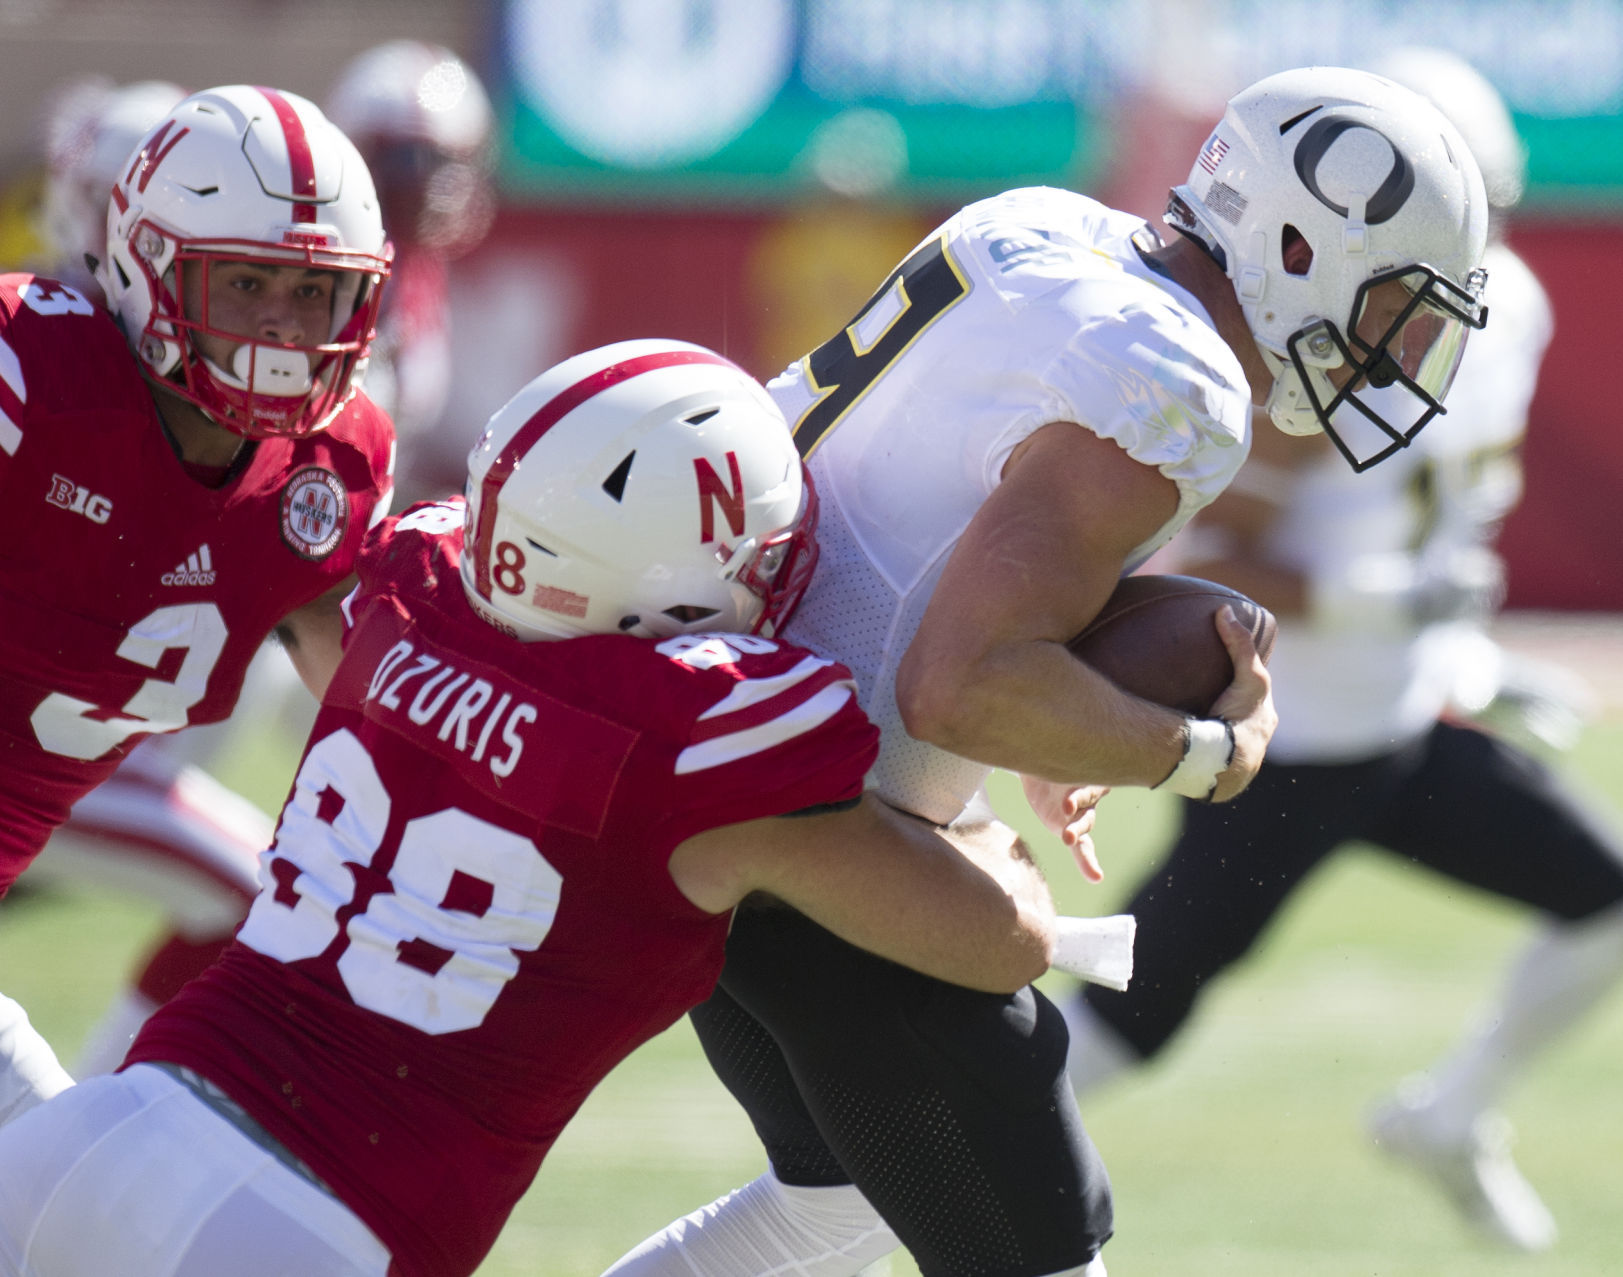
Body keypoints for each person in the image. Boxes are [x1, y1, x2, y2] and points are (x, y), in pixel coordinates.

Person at [604, 65, 1489, 1277]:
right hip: (827, 822)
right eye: (1392, 304)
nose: (1392, 349)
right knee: (1044, 1249)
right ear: (1296, 244)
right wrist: (1191, 751)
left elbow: (921, 529)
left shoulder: (1041, 224)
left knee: (830, 1209)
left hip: (729, 747)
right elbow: (958, 684)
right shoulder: (1175, 378)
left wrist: (1069, 701)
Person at [0, 339, 1062, 1277]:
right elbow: (997, 941)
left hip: (94, 1130)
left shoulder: (411, 582)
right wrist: (980, 833)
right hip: (304, 1231)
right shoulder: (693, 736)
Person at [1062, 50, 1622, 1255]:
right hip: (1291, 744)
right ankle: (875, 1180)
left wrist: (1455, 650)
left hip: (1408, 722)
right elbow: (1218, 554)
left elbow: (1434, 529)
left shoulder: (1506, 306)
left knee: (1610, 900)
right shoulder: (1329, 336)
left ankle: (1450, 1113)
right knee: (1114, 1031)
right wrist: (1380, 608)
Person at [0, 83, 396, 1123]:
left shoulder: (332, 471)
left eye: (312, 293)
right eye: (247, 283)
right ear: (144, 263)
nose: (281, 326)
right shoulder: (28, 372)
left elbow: (387, 711)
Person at [325, 39, 497, 503]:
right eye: (411, 160)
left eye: (450, 163)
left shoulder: (420, 266)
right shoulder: (332, 270)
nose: (434, 183)